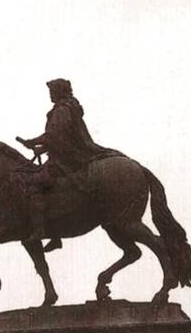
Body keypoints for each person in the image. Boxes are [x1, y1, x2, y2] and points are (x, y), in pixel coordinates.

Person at [17, 78, 121, 248]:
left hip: (68, 159)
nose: (50, 94)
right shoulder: (69, 108)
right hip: (69, 154)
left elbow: (54, 136)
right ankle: (55, 234)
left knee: (35, 183)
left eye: (52, 91)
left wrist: (32, 141)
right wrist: (41, 149)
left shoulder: (62, 110)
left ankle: (41, 231)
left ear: (59, 91)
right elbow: (62, 139)